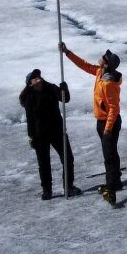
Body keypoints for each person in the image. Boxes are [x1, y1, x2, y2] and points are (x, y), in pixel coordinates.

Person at [60, 42, 123, 206]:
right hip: (102, 122)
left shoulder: (109, 84)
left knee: (109, 156)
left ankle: (111, 190)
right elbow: (83, 65)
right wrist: (67, 52)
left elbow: (114, 109)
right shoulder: (99, 73)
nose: (101, 58)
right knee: (111, 153)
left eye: (104, 58)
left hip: (109, 123)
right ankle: (116, 182)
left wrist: (108, 129)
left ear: (107, 64)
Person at [19, 68, 80, 200]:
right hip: (39, 134)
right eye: (34, 77)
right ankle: (47, 190)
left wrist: (64, 89)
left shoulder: (50, 88)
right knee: (44, 163)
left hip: (57, 131)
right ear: (30, 83)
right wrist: (31, 137)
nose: (38, 78)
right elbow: (30, 119)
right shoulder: (28, 97)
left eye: (38, 76)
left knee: (68, 158)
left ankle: (68, 187)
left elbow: (65, 99)